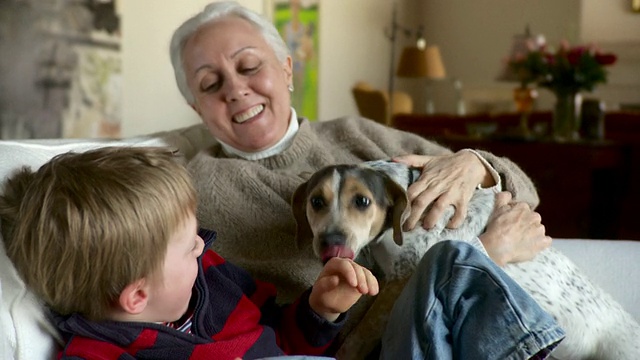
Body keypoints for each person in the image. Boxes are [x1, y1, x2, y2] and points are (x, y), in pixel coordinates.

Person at [168, 1, 561, 357]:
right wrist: (485, 253)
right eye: (210, 84)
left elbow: (521, 190)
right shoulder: (197, 193)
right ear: (195, 107)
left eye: (249, 66)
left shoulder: (359, 135)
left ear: (287, 68)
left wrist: (475, 164)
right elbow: (318, 326)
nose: (236, 89)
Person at [0, 146, 379, 359]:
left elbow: (282, 337)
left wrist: (319, 311)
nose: (203, 245)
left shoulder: (213, 277)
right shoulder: (98, 355)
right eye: (187, 245)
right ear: (137, 295)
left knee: (441, 266)